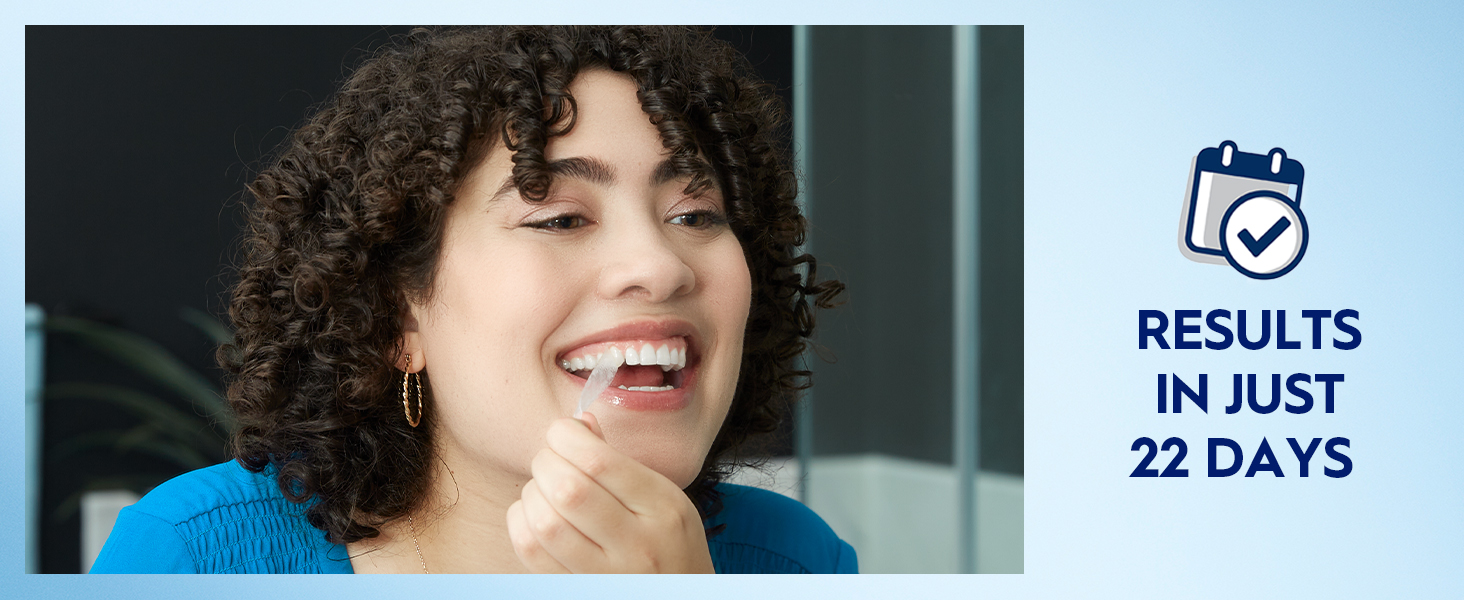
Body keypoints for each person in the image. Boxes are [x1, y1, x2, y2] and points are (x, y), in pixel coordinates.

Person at [89, 26, 851, 574]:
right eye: (558, 217)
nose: (660, 266)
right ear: (395, 319)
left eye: (695, 214)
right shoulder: (192, 558)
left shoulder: (793, 563)